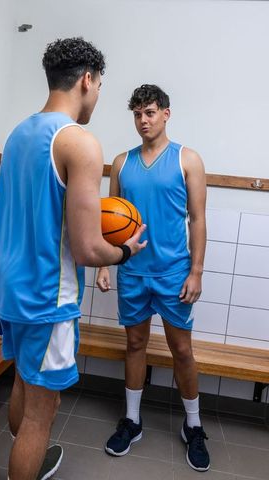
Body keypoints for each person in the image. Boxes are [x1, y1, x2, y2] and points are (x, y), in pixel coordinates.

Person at [0, 38, 146, 480]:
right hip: (46, 297)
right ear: (87, 79)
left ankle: (27, 461)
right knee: (43, 410)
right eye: (99, 87)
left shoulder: (19, 133)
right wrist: (125, 250)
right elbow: (87, 248)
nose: (96, 97)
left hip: (7, 288)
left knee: (23, 381)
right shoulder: (79, 142)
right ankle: (26, 463)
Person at [96, 84, 210, 471]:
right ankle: (132, 420)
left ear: (166, 113)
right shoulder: (121, 162)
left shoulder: (188, 159)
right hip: (133, 272)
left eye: (149, 113)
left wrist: (196, 271)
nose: (142, 121)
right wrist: (104, 265)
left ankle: (193, 425)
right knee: (135, 345)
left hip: (174, 273)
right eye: (137, 115)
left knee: (181, 351)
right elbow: (106, 220)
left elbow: (197, 220)